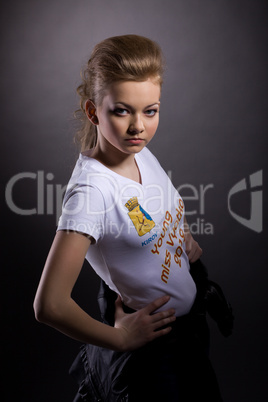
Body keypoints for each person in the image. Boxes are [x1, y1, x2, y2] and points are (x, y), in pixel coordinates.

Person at [34, 34, 224, 401]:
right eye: (122, 111)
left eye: (150, 110)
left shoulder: (138, 153)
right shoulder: (91, 193)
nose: (139, 126)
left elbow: (154, 210)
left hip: (188, 333)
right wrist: (120, 337)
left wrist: (179, 237)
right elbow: (49, 304)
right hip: (154, 359)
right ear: (94, 112)